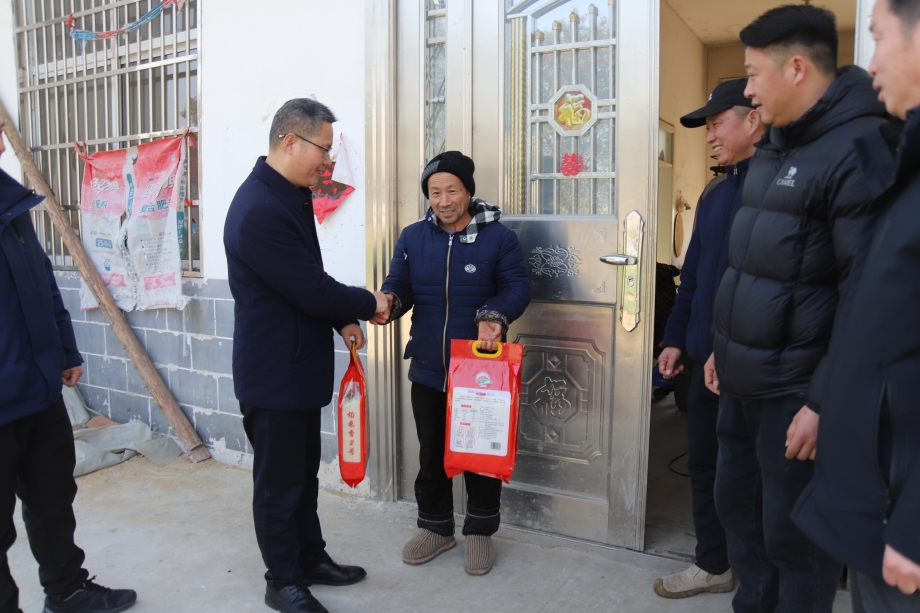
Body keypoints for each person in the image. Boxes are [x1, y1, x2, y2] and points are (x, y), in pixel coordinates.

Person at [702, 5, 889, 612]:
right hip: (742, 383)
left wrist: (822, 401)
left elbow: (870, 294)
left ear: (797, 68)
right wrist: (722, 349)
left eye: (754, 74)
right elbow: (751, 266)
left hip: (797, 394)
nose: (750, 91)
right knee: (740, 515)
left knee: (796, 541)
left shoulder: (859, 149)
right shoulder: (774, 147)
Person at [224, 99, 390, 613]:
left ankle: (310, 559)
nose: (329, 161)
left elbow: (303, 281)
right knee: (278, 486)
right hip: (274, 373)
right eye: (324, 148)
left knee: (302, 478)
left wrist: (342, 321)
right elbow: (311, 289)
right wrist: (368, 304)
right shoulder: (260, 210)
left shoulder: (289, 195)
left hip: (297, 367)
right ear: (290, 142)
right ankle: (282, 581)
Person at [790, 0, 920, 609]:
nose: (869, 64)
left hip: (902, 522)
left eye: (878, 36)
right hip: (875, 505)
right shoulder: (901, 172)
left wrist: (913, 524)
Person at [0, 125, 137, 613]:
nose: (1, 144)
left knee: (52, 500)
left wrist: (65, 351)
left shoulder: (11, 204)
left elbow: (42, 283)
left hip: (38, 390)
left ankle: (67, 591)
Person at [375, 151, 530, 576]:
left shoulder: (499, 238)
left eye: (452, 190)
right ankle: (436, 528)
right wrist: (389, 302)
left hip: (479, 368)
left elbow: (517, 286)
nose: (443, 201)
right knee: (431, 453)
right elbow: (398, 284)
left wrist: (495, 314)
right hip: (429, 363)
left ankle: (479, 531)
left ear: (468, 192)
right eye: (434, 192)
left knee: (480, 454)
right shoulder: (413, 236)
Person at [653, 78, 765, 600]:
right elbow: (693, 277)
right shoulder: (715, 193)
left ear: (753, 119)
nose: (710, 136)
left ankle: (760, 577)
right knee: (704, 465)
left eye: (718, 123)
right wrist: (676, 339)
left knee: (753, 475)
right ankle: (713, 563)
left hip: (755, 364)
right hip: (703, 363)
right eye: (708, 127)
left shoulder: (781, 188)